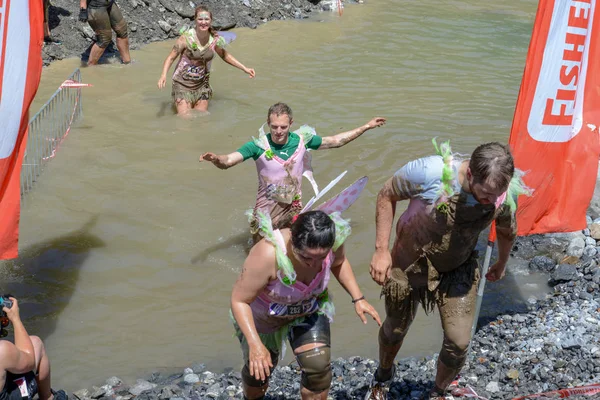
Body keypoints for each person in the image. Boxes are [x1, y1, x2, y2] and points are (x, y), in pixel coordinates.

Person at [364, 141, 530, 399]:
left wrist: (502, 262)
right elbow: (386, 194)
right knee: (395, 329)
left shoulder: (501, 194)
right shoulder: (430, 173)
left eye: (496, 194)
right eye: (485, 194)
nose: (490, 200)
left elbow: (508, 230)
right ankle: (383, 376)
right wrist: (380, 250)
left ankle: (439, 391)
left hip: (457, 268)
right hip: (408, 266)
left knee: (458, 343)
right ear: (471, 174)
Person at [231, 210, 381, 400]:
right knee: (259, 373)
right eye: (307, 258)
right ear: (293, 242)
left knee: (318, 368)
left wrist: (358, 298)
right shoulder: (268, 254)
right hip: (264, 318)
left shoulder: (333, 244)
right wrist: (255, 345)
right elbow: (239, 300)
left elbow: (339, 263)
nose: (314, 264)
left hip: (308, 309)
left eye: (321, 258)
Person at [200, 102, 386, 242]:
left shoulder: (302, 140)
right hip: (266, 215)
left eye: (283, 127)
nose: (279, 131)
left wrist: (366, 127)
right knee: (261, 259)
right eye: (274, 127)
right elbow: (229, 160)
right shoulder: (257, 146)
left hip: (294, 209)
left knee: (293, 253)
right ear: (268, 123)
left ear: (291, 123)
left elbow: (335, 141)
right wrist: (217, 159)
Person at [157, 6, 255, 116]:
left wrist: (244, 68)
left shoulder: (214, 39)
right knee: (184, 119)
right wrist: (163, 75)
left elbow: (225, 55)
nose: (203, 22)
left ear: (211, 21)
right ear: (195, 20)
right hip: (182, 85)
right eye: (200, 19)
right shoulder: (186, 38)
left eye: (206, 19)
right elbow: (170, 57)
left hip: (202, 85)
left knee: (202, 118)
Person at [0, 297, 68, 400]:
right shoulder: (3, 350)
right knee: (36, 343)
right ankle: (48, 398)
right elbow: (29, 360)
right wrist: (15, 318)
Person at [78, 0, 131, 65]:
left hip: (110, 3)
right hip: (96, 6)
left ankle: (127, 62)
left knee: (122, 31)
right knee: (104, 39)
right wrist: (83, 9)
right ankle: (91, 67)